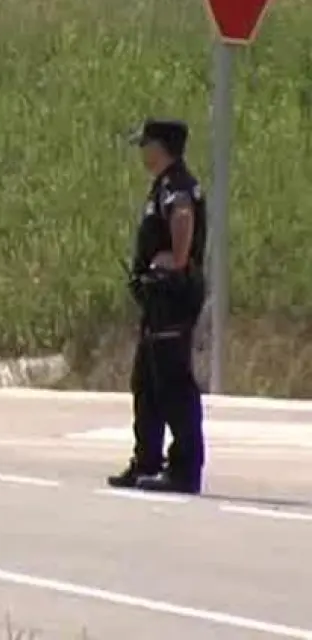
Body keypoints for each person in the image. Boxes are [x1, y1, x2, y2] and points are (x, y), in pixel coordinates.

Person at [107, 118, 208, 495]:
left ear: (160, 147)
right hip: (158, 298)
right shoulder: (165, 183)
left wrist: (176, 262)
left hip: (172, 296)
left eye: (145, 144)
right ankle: (147, 461)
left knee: (173, 383)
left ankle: (184, 469)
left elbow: (182, 215)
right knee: (147, 382)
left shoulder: (176, 184)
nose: (141, 151)